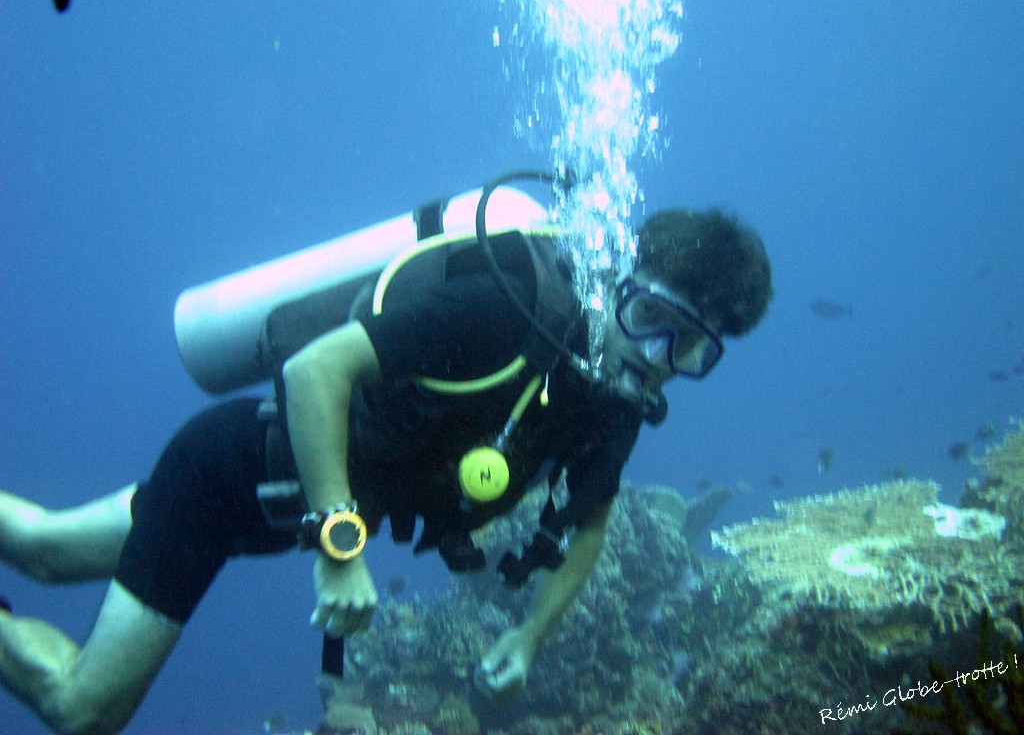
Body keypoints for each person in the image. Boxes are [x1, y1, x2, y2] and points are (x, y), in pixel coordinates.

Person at [0, 203, 772, 735]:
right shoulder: (504, 313)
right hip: (227, 475)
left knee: (40, 546)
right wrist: (340, 544)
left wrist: (534, 636)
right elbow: (313, 372)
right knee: (84, 709)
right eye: (649, 321)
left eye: (692, 348)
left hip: (264, 513)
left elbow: (592, 520)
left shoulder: (612, 405)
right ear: (618, 284)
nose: (657, 358)